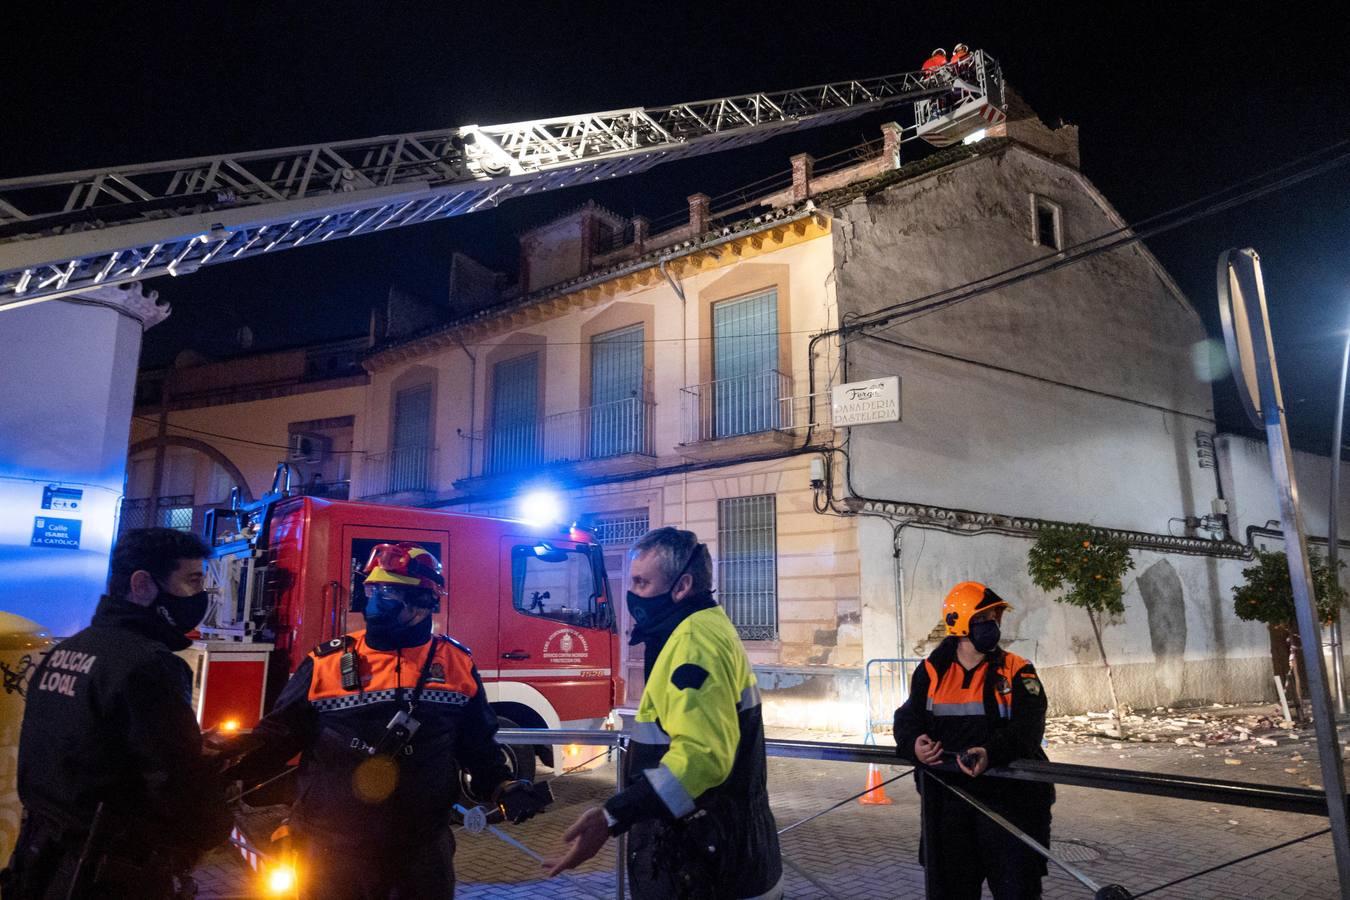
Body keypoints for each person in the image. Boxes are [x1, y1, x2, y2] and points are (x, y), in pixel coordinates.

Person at [221, 542, 543, 899]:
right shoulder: (325, 662)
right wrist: (226, 765)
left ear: (424, 602)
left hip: (420, 852)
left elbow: (477, 748)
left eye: (388, 591)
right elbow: (278, 736)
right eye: (372, 588)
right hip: (330, 849)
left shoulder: (457, 664)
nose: (374, 600)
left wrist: (503, 786)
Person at [544, 527, 782, 900]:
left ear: (682, 586)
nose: (632, 595)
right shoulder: (701, 628)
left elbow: (702, 759)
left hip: (708, 870)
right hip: (716, 858)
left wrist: (613, 815)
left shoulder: (693, 643)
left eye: (641, 582)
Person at [2, 528, 231, 899]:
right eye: (191, 582)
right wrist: (213, 825)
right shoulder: (148, 665)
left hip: (40, 862)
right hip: (110, 875)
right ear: (142, 585)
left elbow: (84, 748)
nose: (199, 597)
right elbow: (176, 782)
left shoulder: (70, 650)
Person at [894, 582, 1054, 899]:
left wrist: (989, 752)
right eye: (986, 618)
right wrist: (914, 744)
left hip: (1009, 809)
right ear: (961, 624)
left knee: (1017, 891)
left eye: (996, 618)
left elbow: (1028, 729)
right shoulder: (930, 672)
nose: (994, 625)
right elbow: (907, 717)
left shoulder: (1018, 671)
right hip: (948, 809)